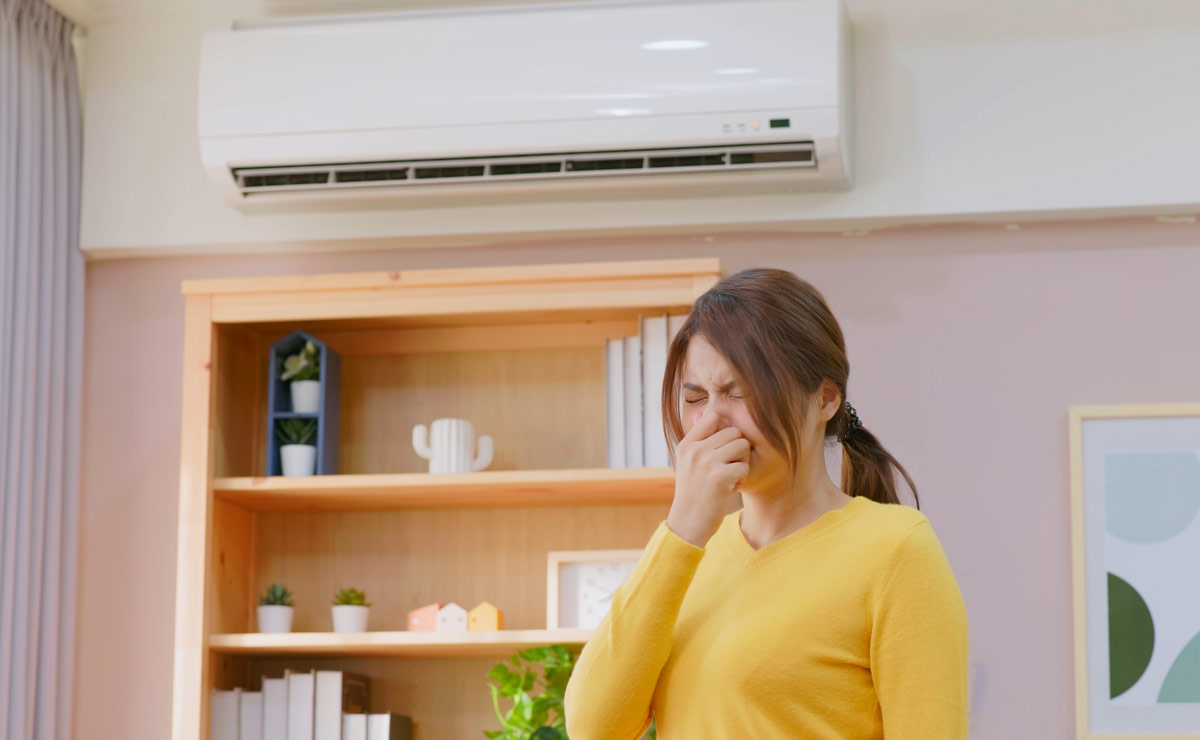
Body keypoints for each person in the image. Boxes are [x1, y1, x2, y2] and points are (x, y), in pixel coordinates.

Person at [563, 268, 969, 739]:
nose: (712, 420)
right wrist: (683, 527)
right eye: (696, 397)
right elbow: (593, 729)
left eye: (739, 393)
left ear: (825, 399)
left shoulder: (896, 549)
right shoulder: (687, 555)